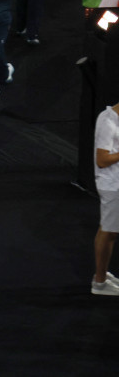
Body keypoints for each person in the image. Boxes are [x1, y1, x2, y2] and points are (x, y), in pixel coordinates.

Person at [92, 98, 119, 295]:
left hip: (114, 183)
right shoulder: (109, 123)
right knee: (109, 233)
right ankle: (100, 283)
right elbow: (102, 160)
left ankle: (101, 275)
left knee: (107, 230)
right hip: (113, 186)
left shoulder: (110, 118)